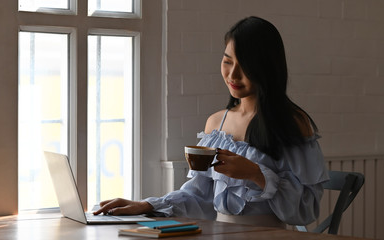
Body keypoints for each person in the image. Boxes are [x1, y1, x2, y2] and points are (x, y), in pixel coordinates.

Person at [93, 16, 329, 228]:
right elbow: (200, 197)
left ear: (267, 68)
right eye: (227, 61)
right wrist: (147, 205)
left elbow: (305, 210)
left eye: (245, 66)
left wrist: (256, 174)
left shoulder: (293, 123)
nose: (233, 75)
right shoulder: (215, 124)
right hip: (218, 233)